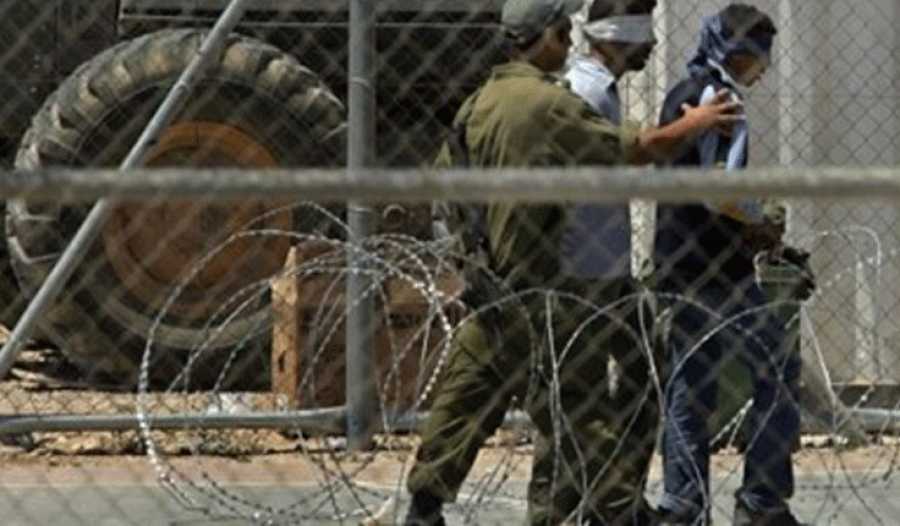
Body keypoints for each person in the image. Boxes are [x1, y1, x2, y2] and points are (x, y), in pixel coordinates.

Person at [402, 1, 741, 525]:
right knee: (579, 411)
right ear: (544, 37)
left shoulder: (479, 102)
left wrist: (471, 262)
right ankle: (614, 513)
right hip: (547, 287)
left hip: (493, 283)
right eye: (562, 32)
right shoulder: (549, 103)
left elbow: (446, 191)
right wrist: (695, 123)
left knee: (467, 396)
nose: (567, 41)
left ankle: (424, 508)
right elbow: (635, 148)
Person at [652, 5, 811, 525]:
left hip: (681, 260)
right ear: (739, 53)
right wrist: (762, 217)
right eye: (760, 57)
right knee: (776, 370)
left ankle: (683, 504)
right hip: (718, 269)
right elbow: (719, 190)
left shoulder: (683, 92)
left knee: (691, 385)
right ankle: (761, 501)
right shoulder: (719, 100)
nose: (763, 68)